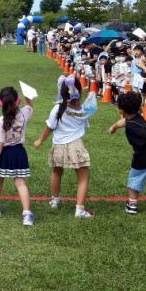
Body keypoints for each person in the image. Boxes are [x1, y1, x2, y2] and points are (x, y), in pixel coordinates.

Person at [33, 76, 97, 218]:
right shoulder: (85, 109)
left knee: (56, 172)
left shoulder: (57, 108)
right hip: (76, 146)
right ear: (79, 91)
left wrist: (40, 141)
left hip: (58, 146)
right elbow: (87, 118)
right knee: (83, 177)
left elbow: (49, 127)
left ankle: (55, 201)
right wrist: (91, 96)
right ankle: (79, 210)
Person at [0, 86, 35, 226]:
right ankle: (27, 214)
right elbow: (29, 106)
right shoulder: (25, 113)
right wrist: (27, 96)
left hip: (4, 154)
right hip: (19, 153)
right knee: (20, 182)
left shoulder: (0, 121)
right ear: (18, 101)